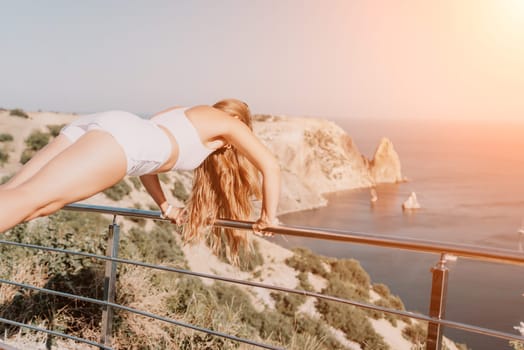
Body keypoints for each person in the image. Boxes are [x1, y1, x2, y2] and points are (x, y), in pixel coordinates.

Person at [0, 99, 281, 259]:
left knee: (23, 196)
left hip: (103, 122)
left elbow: (150, 162)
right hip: (123, 142)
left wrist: (165, 205)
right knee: (31, 200)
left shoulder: (184, 111)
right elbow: (270, 166)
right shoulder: (230, 126)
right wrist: (269, 216)